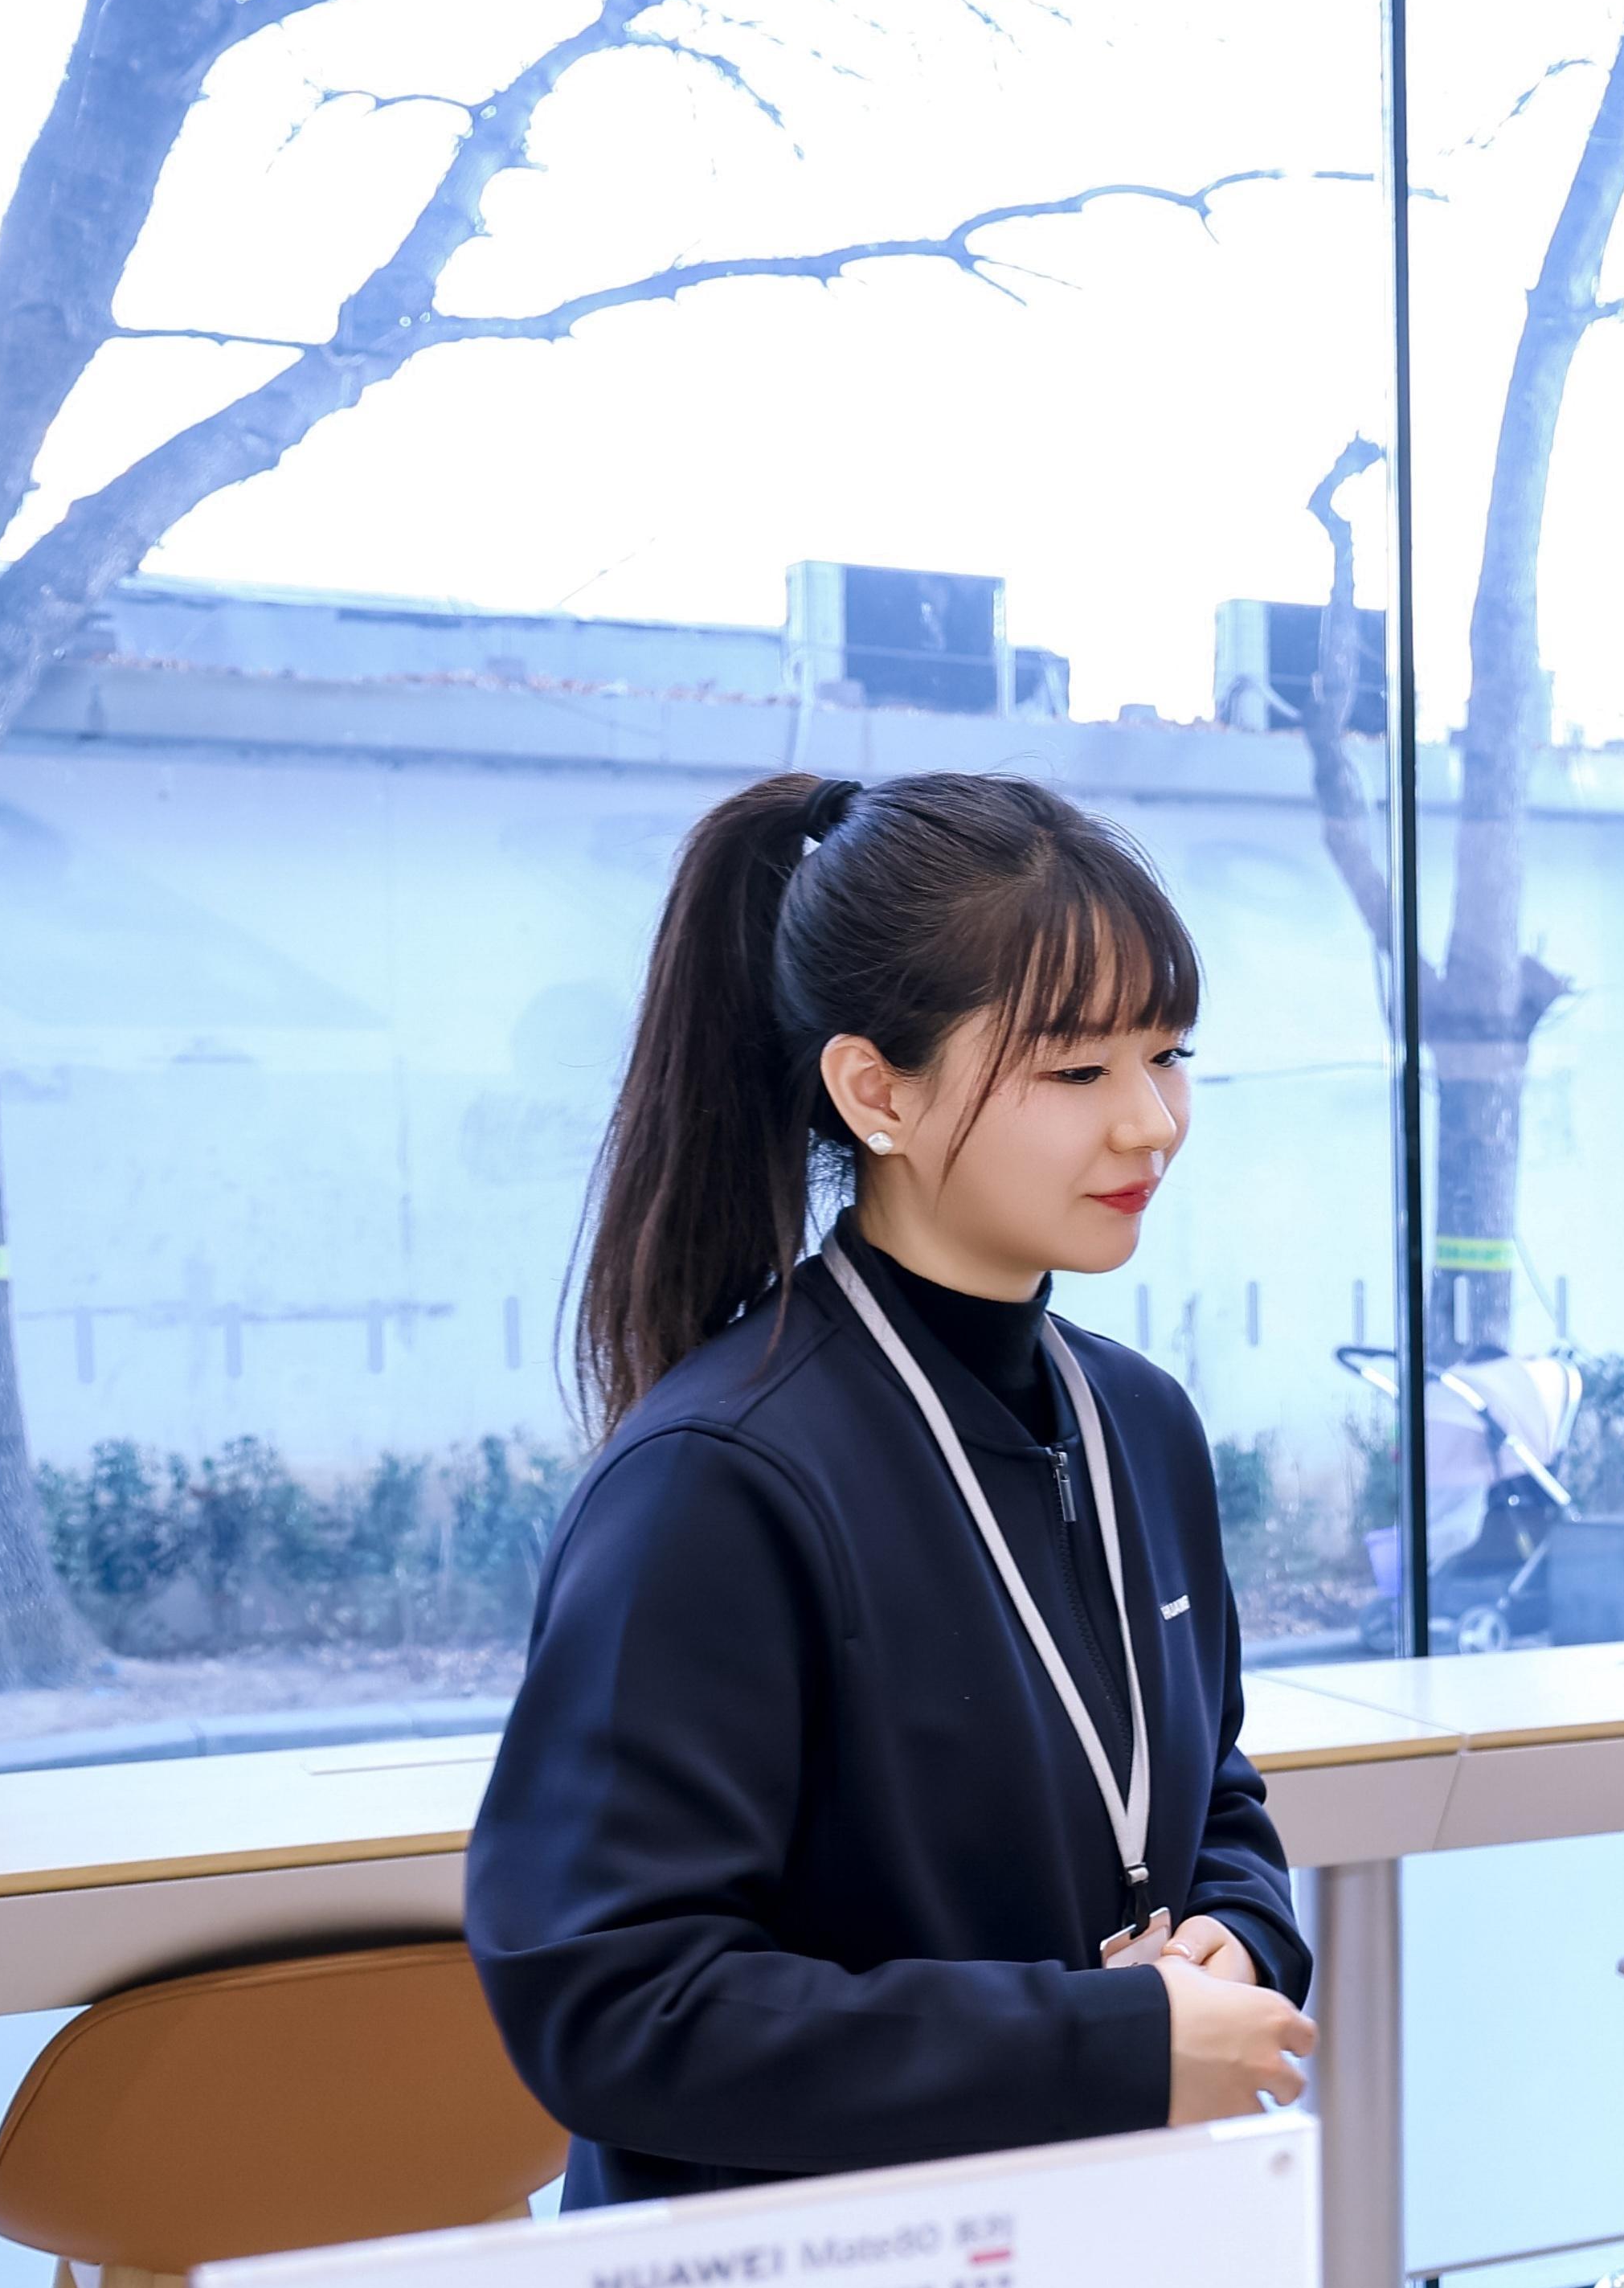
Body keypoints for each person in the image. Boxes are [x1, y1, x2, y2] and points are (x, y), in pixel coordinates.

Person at [469, 772, 1315, 2204]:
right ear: (877, 1091)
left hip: (1108, 2239)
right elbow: (615, 2003)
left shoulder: (1142, 1424)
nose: (1152, 1122)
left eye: (1168, 1055)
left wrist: (1238, 1934)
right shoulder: (720, 1475)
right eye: (1076, 1071)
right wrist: (1111, 2039)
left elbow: (1210, 1797)